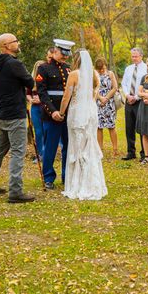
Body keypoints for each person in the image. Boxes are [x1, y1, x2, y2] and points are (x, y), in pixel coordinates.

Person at [0, 33, 35, 203]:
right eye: (15, 41)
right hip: (14, 114)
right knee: (18, 152)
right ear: (5, 45)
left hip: (1, 114)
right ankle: (15, 191)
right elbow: (30, 82)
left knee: (0, 149)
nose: (18, 43)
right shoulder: (14, 63)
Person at [57, 50, 108, 200]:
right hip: (91, 112)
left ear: (77, 59)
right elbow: (94, 95)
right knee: (89, 144)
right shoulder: (94, 75)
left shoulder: (74, 74)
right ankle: (93, 182)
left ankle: (79, 185)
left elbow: (67, 96)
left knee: (77, 146)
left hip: (77, 112)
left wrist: (61, 112)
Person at [37, 40, 74, 189]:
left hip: (68, 114)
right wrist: (52, 112)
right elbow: (42, 93)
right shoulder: (43, 68)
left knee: (68, 147)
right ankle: (48, 177)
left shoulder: (69, 69)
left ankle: (67, 176)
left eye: (67, 55)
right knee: (50, 147)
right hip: (51, 114)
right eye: (62, 54)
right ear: (54, 52)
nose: (65, 58)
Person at [121, 48, 148, 160]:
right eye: (132, 56)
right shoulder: (128, 69)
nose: (134, 58)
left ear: (141, 56)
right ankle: (131, 152)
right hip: (128, 101)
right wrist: (127, 95)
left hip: (140, 101)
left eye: (136, 56)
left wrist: (136, 97)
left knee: (141, 127)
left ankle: (143, 153)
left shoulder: (146, 68)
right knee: (129, 127)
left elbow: (147, 85)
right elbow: (124, 84)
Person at [95, 57, 119, 157]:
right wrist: (100, 98)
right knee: (99, 127)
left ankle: (115, 149)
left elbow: (115, 87)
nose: (101, 70)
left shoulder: (110, 74)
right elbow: (91, 88)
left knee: (111, 126)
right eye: (99, 69)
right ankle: (99, 149)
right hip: (97, 102)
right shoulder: (93, 74)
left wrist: (106, 98)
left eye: (103, 68)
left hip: (109, 103)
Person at [27, 59, 46, 161]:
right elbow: (28, 94)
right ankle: (40, 154)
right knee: (38, 131)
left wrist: (41, 99)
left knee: (46, 130)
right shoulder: (32, 81)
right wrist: (31, 100)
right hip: (35, 108)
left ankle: (48, 152)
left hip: (46, 107)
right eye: (38, 67)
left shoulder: (48, 79)